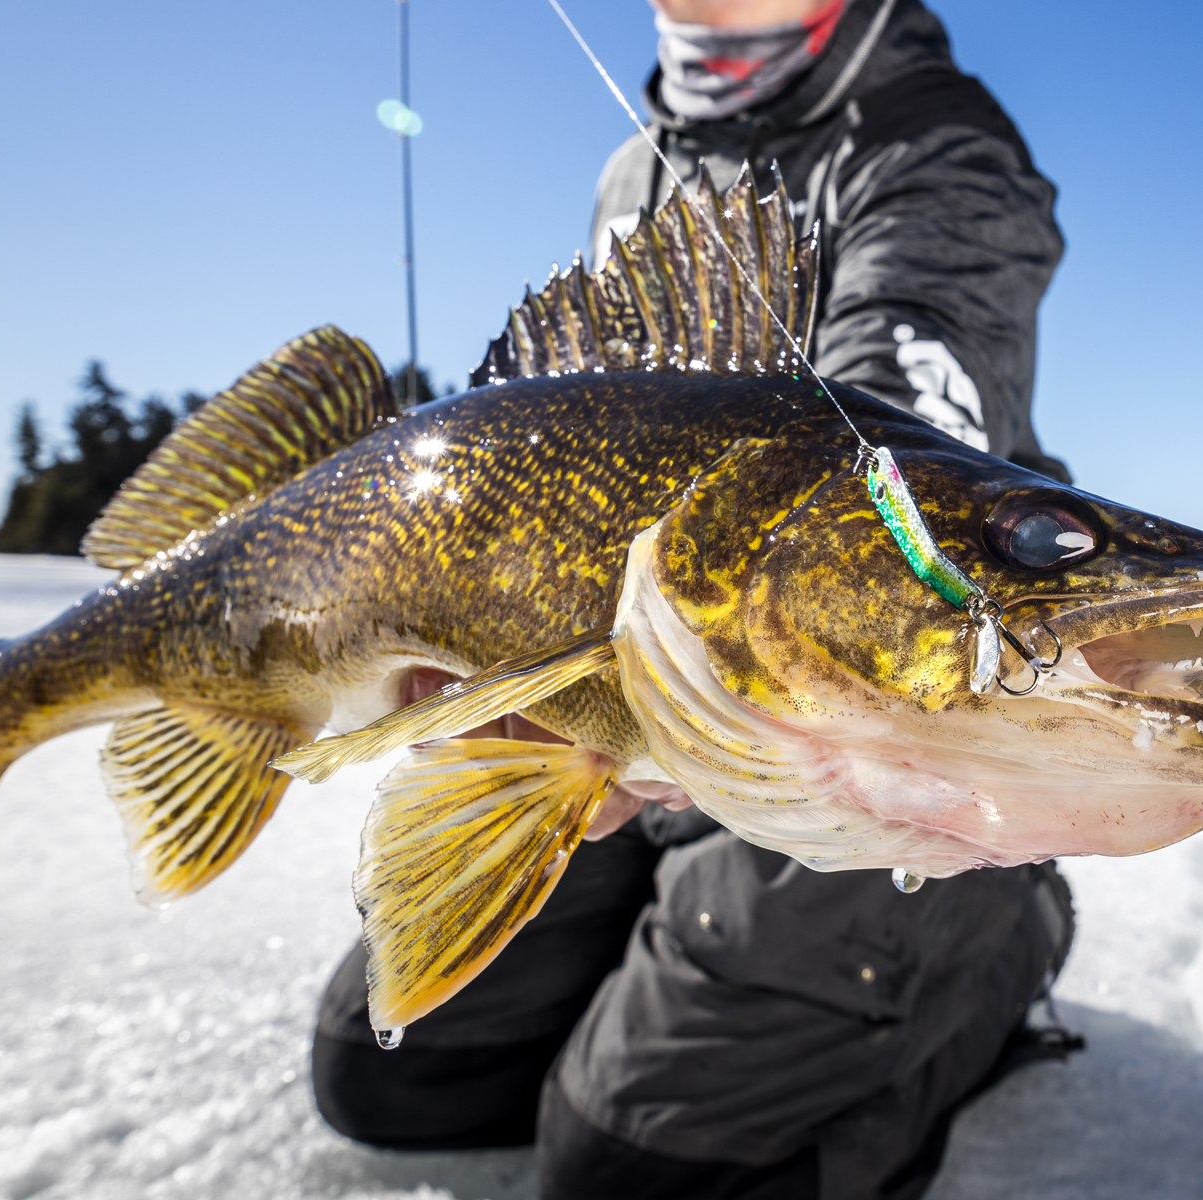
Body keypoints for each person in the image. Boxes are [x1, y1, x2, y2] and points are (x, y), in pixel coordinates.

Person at [311, 2, 1077, 1196]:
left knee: (623, 1171)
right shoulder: (635, 160)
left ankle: (991, 938)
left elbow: (907, 403)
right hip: (645, 721)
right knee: (388, 1078)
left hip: (864, 717)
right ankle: (673, 913)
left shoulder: (940, 147)